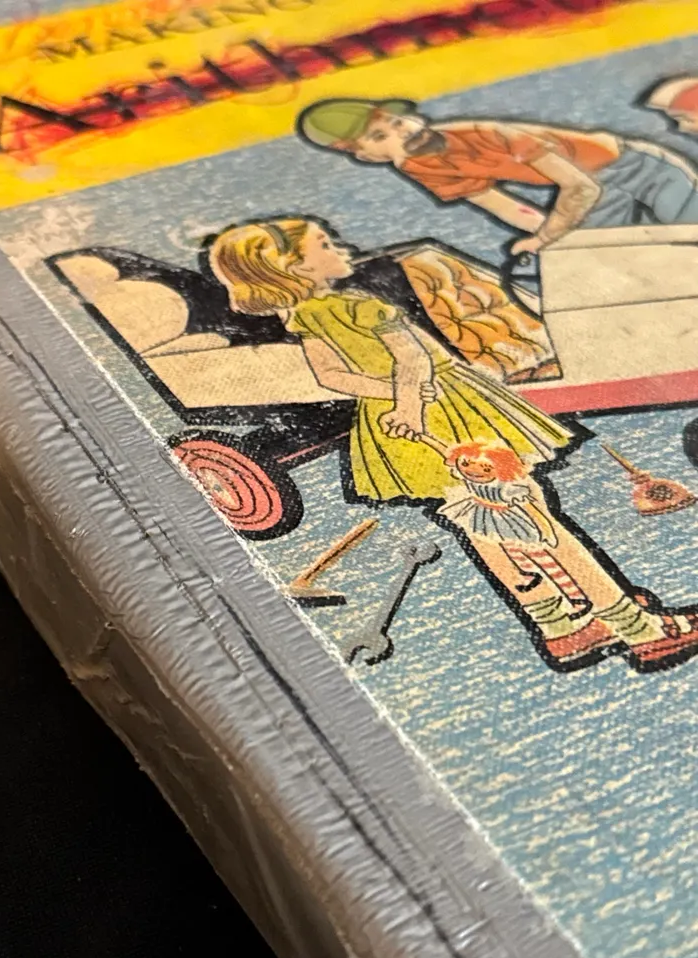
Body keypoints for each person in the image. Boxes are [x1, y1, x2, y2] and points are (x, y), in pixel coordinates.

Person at [208, 217, 698, 667]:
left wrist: (392, 400)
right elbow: (415, 360)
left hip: (393, 429)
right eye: (324, 244)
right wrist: (410, 402)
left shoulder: (305, 318)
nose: (342, 247)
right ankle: (640, 628)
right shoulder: (358, 305)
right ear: (294, 266)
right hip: (449, 409)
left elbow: (334, 376)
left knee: (484, 528)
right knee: (537, 520)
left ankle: (562, 628)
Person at [296, 98, 698, 256]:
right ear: (366, 156)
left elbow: (581, 186)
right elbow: (504, 206)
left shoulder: (486, 132)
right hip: (593, 195)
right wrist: (548, 240)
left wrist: (549, 234)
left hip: (635, 167)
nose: (403, 133)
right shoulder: (420, 167)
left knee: (690, 231)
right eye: (380, 136)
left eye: (398, 122)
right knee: (616, 261)